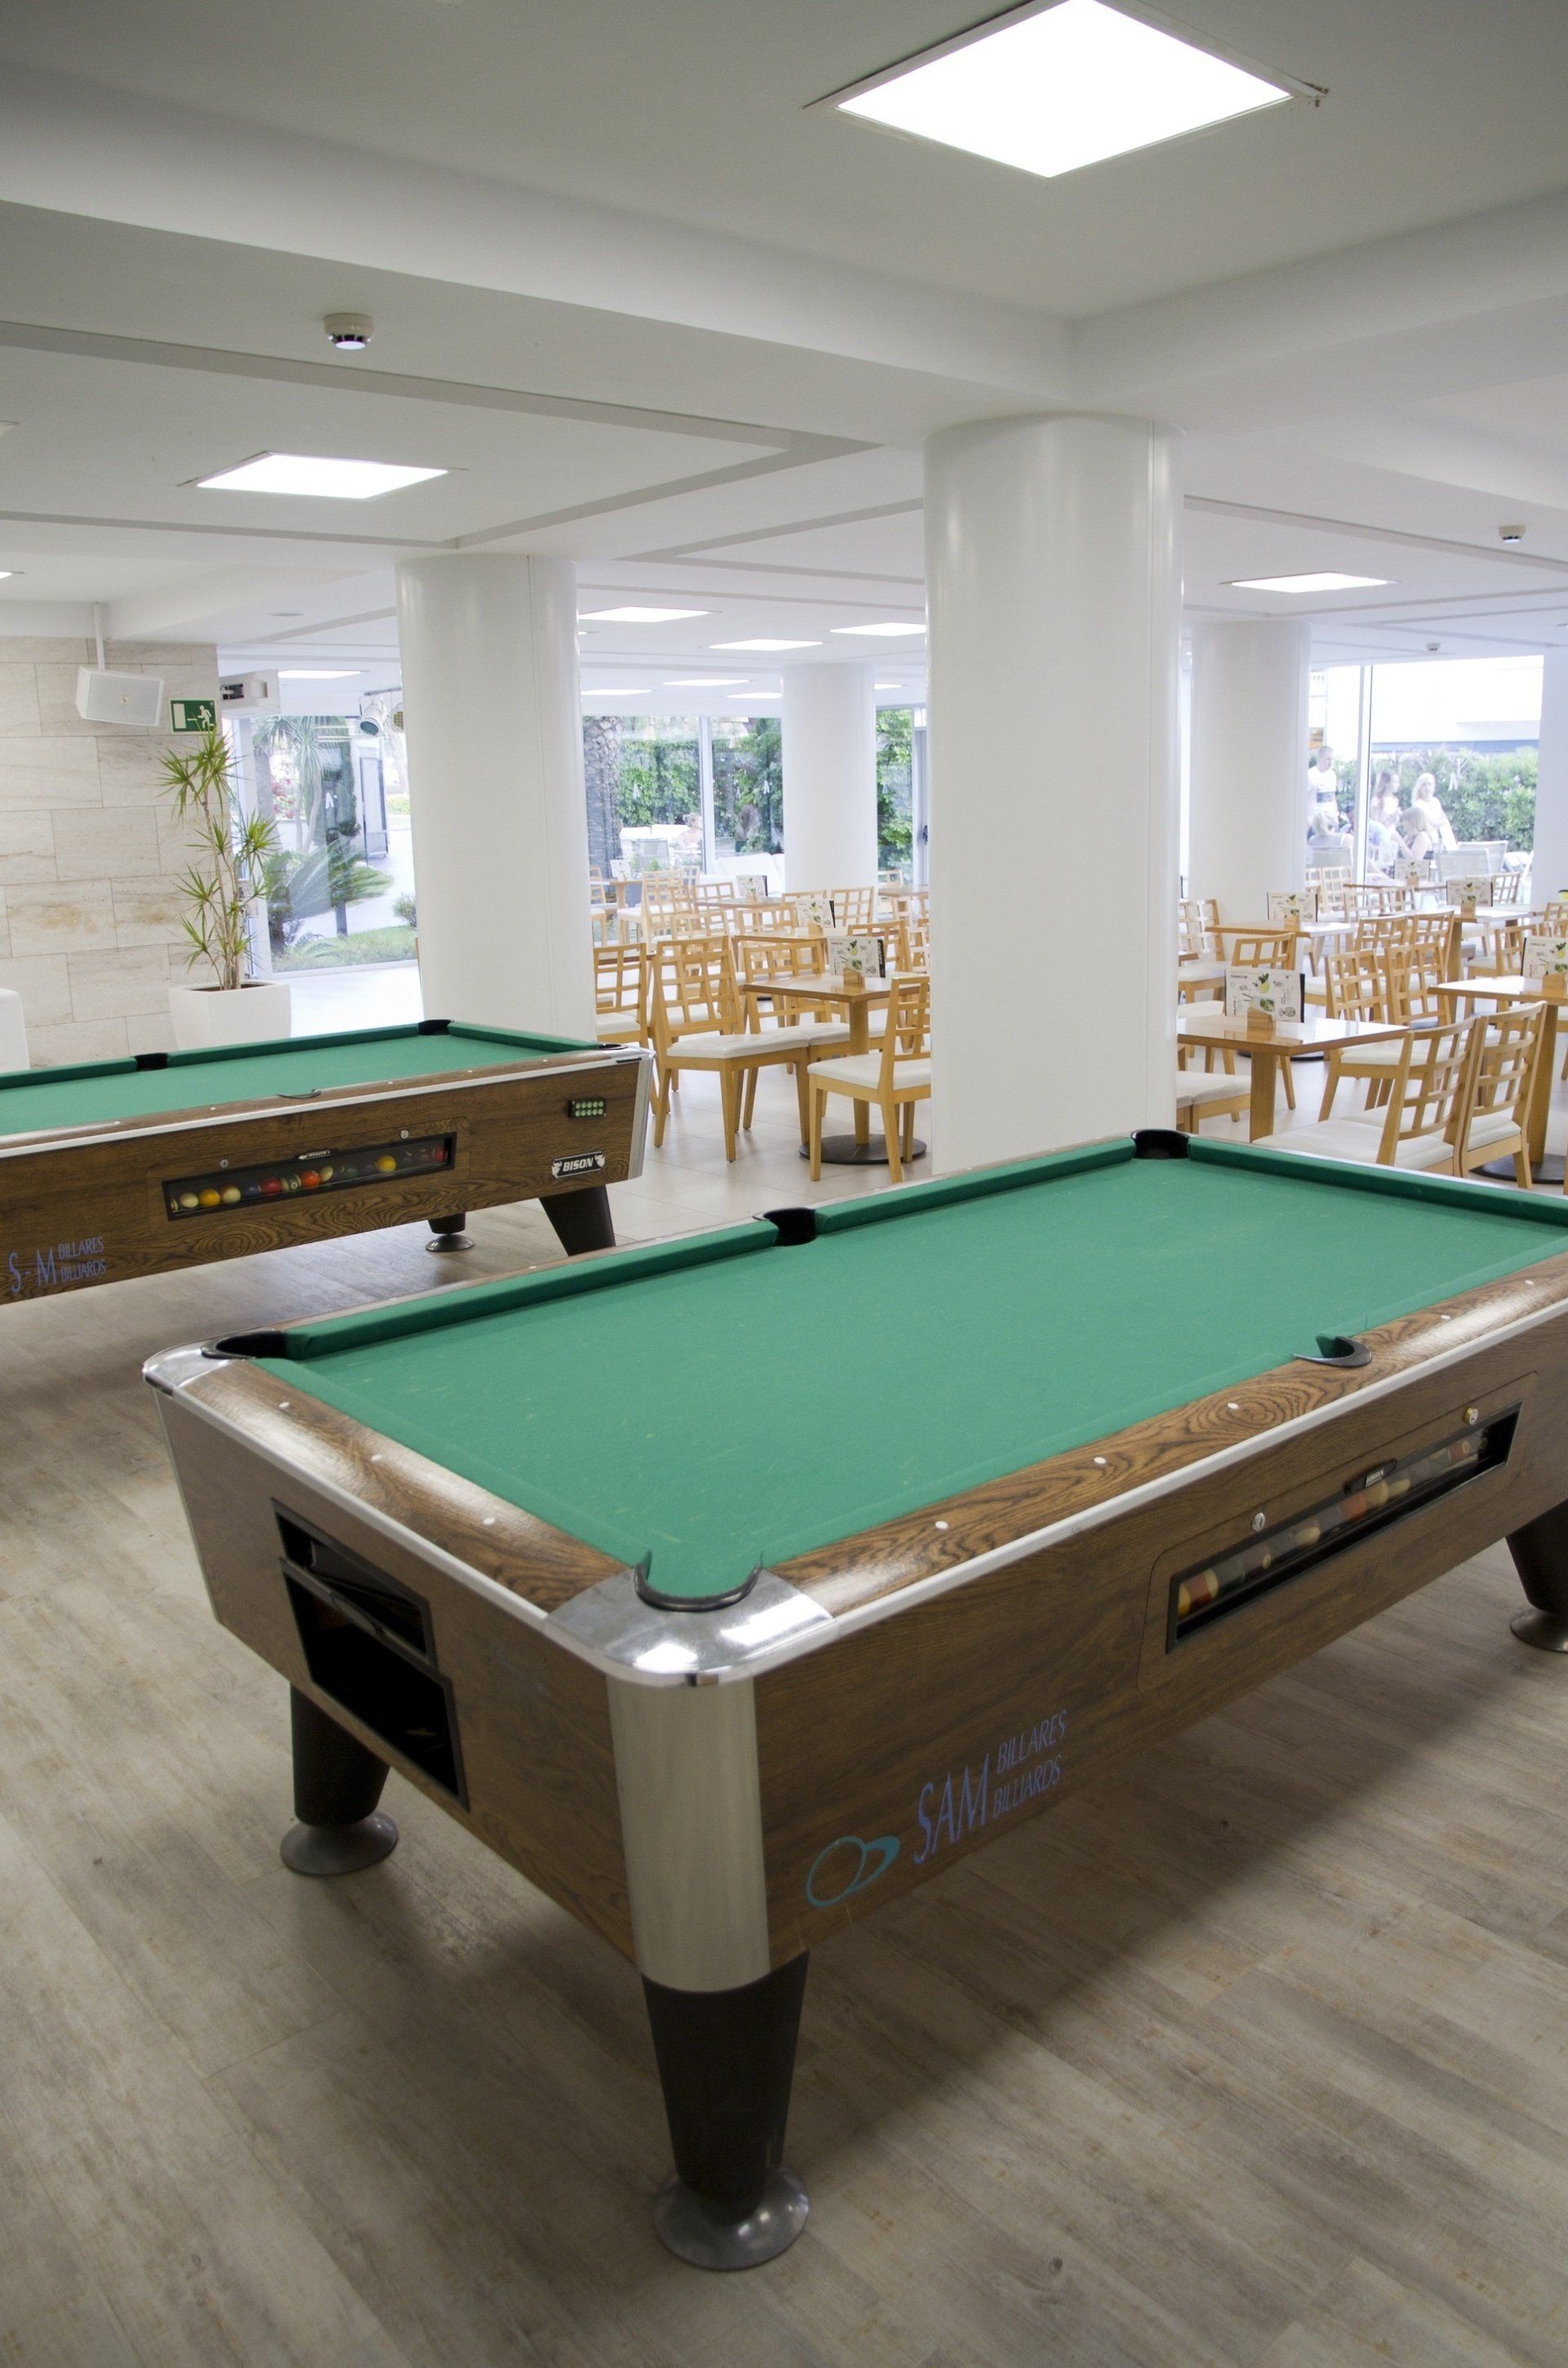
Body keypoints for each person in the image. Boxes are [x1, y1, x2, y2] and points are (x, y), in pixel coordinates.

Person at [1365, 769, 1409, 876]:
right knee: (1381, 863)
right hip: (1380, 835)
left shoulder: (1395, 800)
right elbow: (1375, 823)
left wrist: (1396, 818)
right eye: (1394, 782)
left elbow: (1394, 824)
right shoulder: (1377, 800)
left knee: (1390, 862)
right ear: (1387, 783)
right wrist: (1391, 817)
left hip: (1392, 833)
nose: (1397, 784)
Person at [1405, 772, 1456, 863]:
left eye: (1429, 784)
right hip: (1425, 840)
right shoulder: (1418, 805)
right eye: (1424, 785)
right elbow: (1425, 824)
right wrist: (1437, 824)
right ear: (1420, 788)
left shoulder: (1436, 802)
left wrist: (1439, 823)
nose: (1427, 788)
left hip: (1439, 838)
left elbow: (1444, 819)